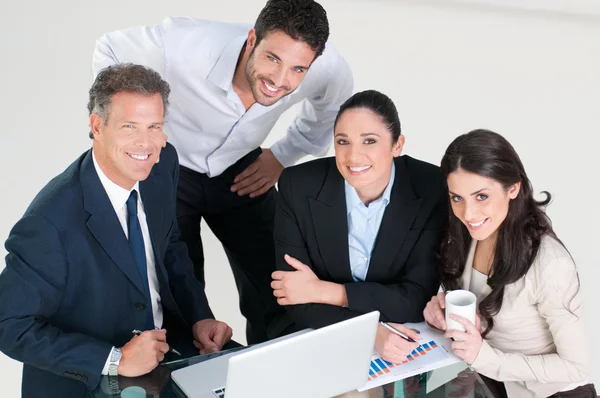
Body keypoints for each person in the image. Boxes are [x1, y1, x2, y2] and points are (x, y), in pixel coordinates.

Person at [92, 0, 353, 344]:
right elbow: (108, 48)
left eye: (297, 70)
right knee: (178, 293)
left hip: (242, 169)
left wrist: (283, 154)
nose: (280, 80)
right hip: (170, 169)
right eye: (272, 58)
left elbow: (332, 107)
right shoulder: (182, 45)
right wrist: (141, 131)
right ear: (251, 40)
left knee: (279, 281)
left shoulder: (327, 66)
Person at [0, 64, 233, 398]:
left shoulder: (162, 164)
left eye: (155, 126)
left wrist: (199, 317)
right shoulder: (50, 221)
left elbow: (169, 246)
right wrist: (114, 360)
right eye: (129, 126)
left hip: (167, 352)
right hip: (90, 379)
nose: (146, 143)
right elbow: (10, 326)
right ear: (97, 126)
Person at [271, 90, 446, 364]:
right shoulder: (297, 186)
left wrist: (327, 291)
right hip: (318, 336)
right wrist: (370, 333)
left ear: (397, 145)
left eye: (369, 141)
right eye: (343, 142)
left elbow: (415, 297)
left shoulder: (432, 187)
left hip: (401, 342)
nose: (354, 156)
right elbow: (293, 295)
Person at [423, 129, 596, 398]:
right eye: (457, 197)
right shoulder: (464, 237)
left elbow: (574, 367)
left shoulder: (550, 265)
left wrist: (485, 358)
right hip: (491, 385)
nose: (468, 213)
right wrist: (444, 311)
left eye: (481, 196)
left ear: (513, 188)